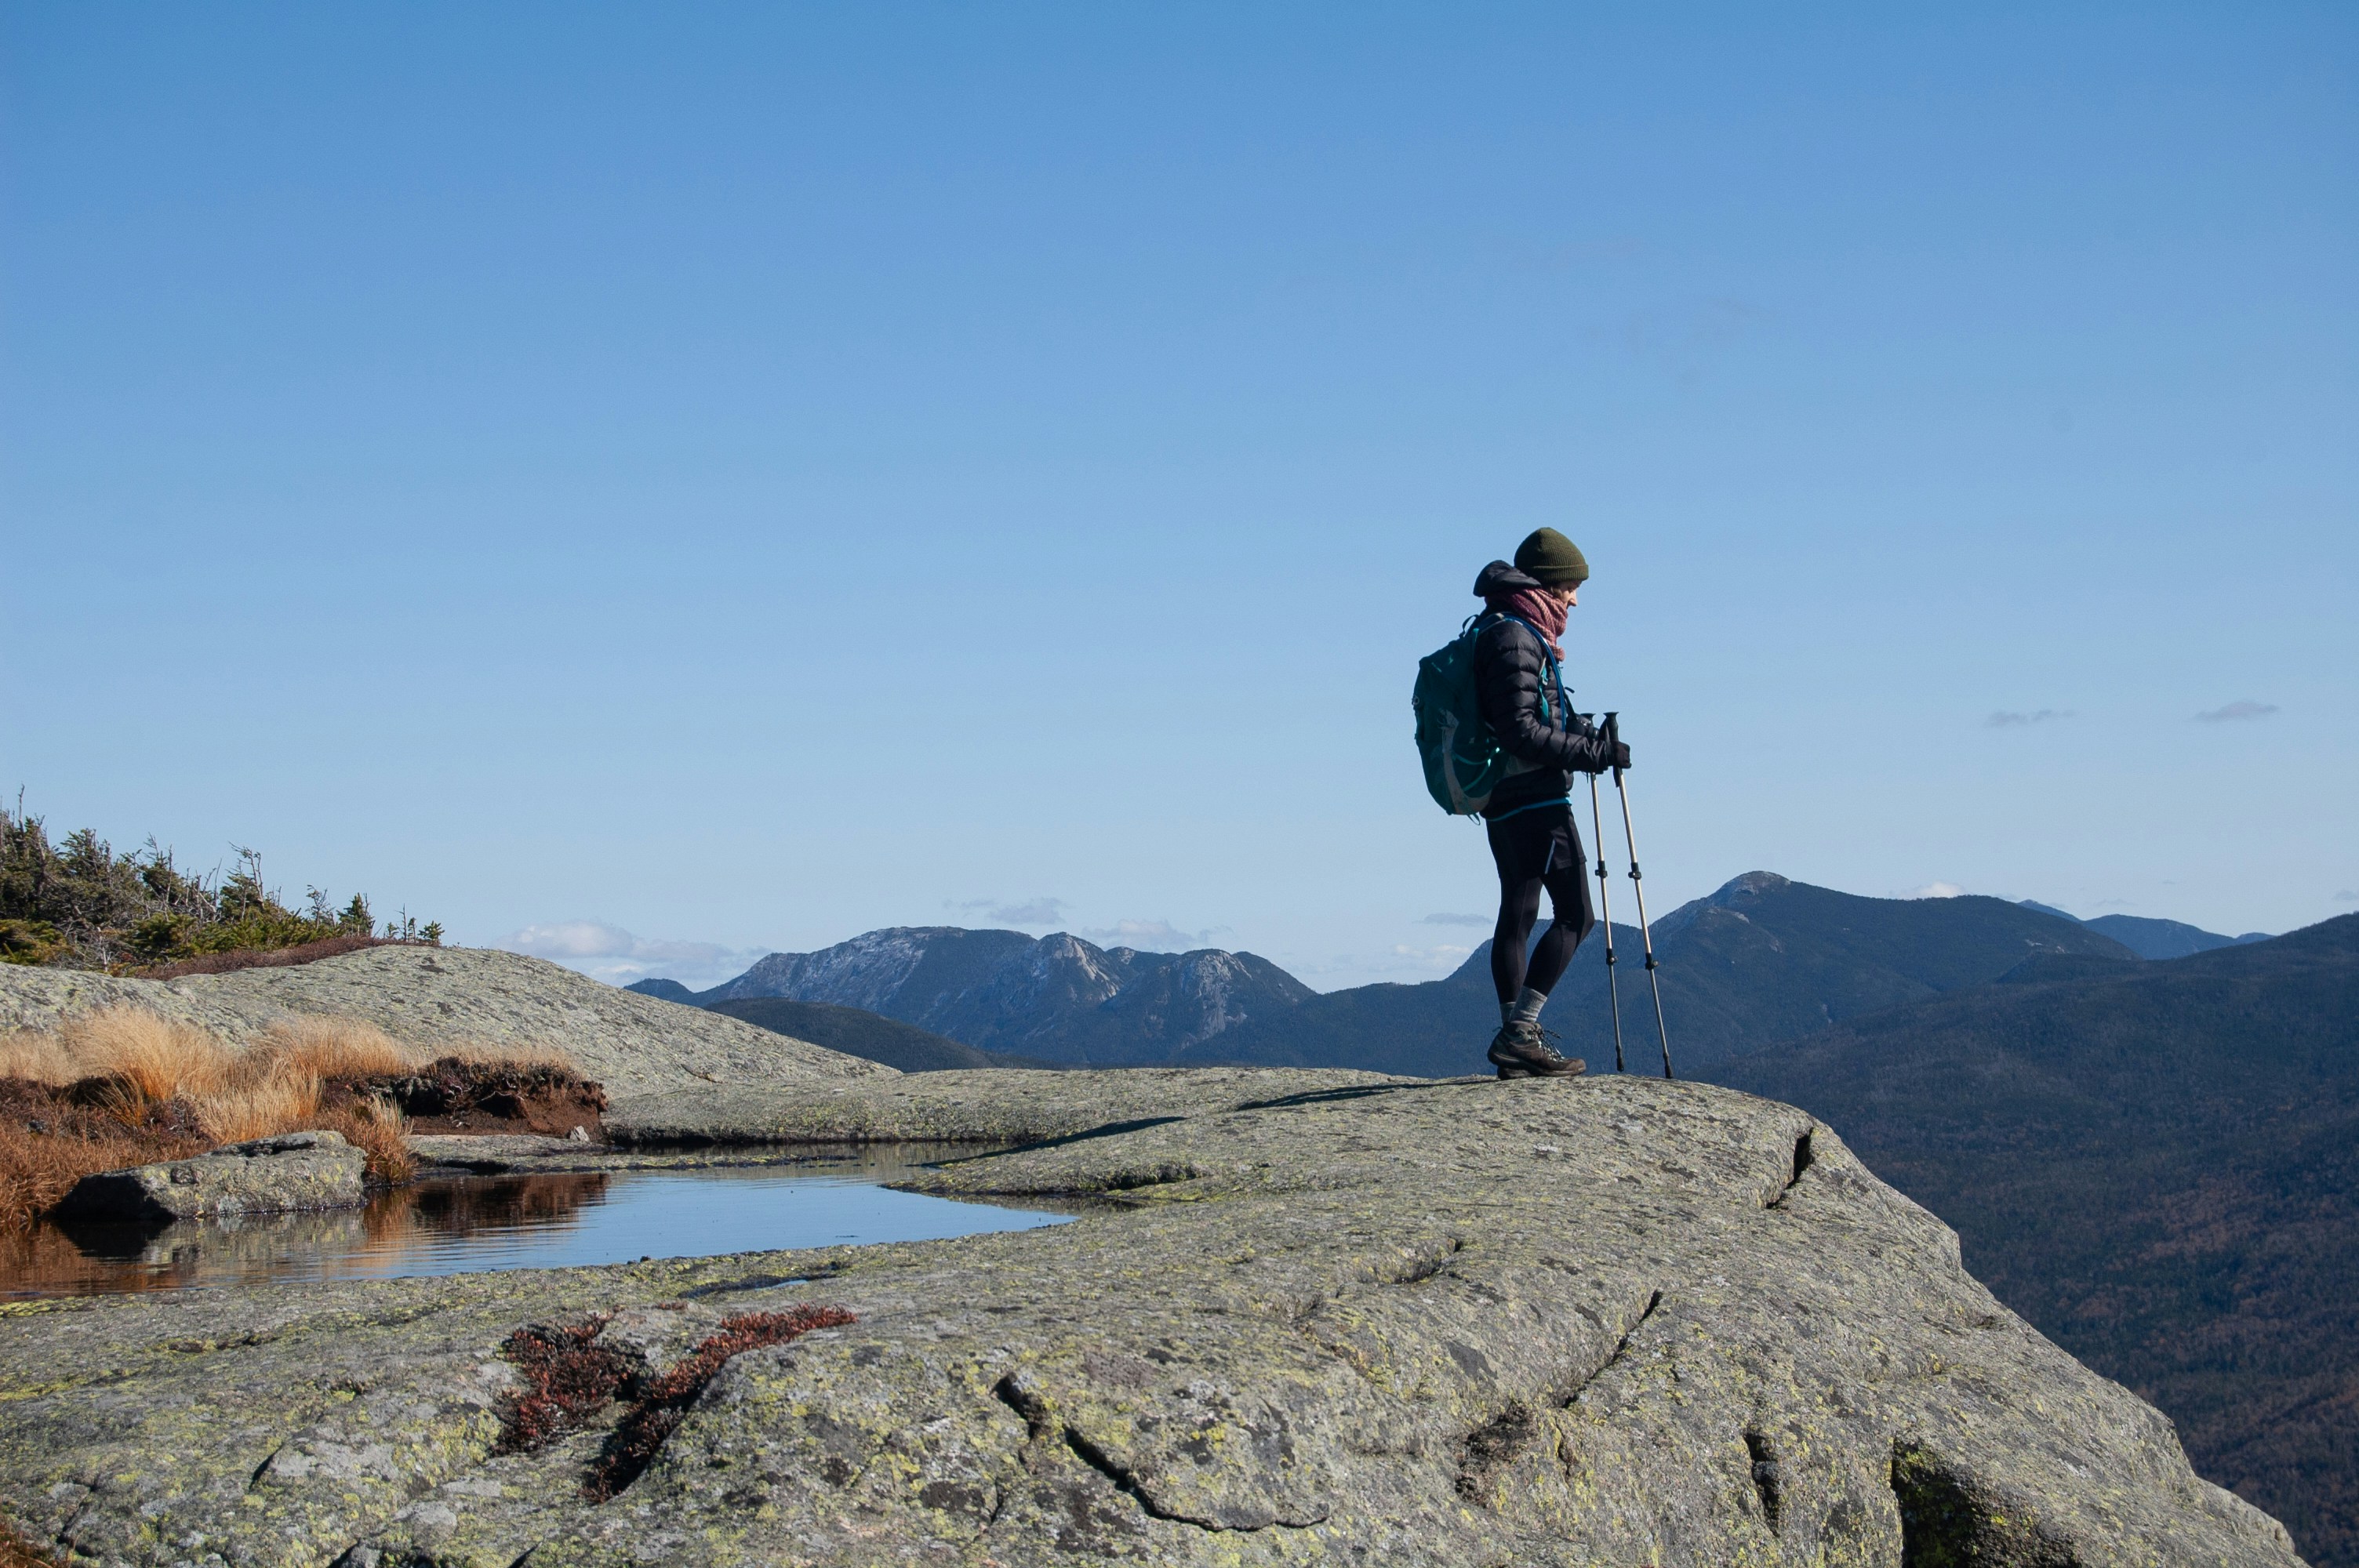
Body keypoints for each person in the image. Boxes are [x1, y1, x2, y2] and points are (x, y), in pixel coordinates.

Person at [1470, 528, 1630, 1079]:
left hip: (1502, 796)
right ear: (1546, 584)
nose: (1575, 600)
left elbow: (1529, 716)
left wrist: (1582, 731)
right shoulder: (1516, 636)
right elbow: (1520, 729)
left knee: (1519, 910)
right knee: (1577, 914)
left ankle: (1515, 1042)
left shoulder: (1503, 628)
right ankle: (1520, 1033)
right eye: (1570, 587)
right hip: (1534, 796)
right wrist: (1593, 753)